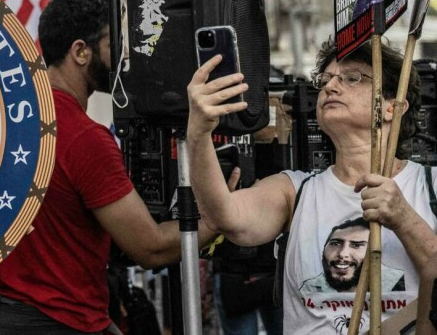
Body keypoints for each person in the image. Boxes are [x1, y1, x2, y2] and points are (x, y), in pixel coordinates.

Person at [0, 0, 222, 335]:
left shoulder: (6, 117)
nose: (122, 57)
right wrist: (221, 216)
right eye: (112, 44)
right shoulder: (85, 138)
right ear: (80, 52)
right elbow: (151, 247)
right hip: (52, 320)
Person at [187, 36, 436, 333]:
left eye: (352, 78)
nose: (330, 86)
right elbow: (226, 217)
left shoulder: (430, 186)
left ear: (392, 108)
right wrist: (199, 133)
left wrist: (404, 218)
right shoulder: (295, 191)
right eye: (326, 79)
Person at [297, 217, 404, 295]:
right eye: (335, 243)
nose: (343, 254)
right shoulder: (311, 288)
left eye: (356, 245)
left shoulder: (397, 283)